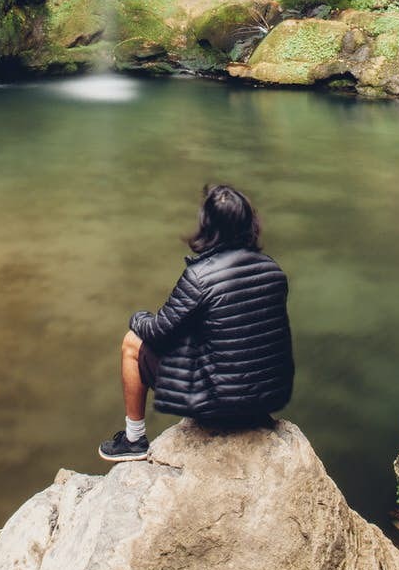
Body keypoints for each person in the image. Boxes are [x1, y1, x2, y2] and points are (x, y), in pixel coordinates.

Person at [98, 183, 294, 462]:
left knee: (132, 342)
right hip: (265, 401)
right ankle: (252, 409)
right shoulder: (273, 270)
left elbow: (158, 332)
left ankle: (133, 440)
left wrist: (138, 317)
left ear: (207, 227)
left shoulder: (200, 277)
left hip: (220, 408)